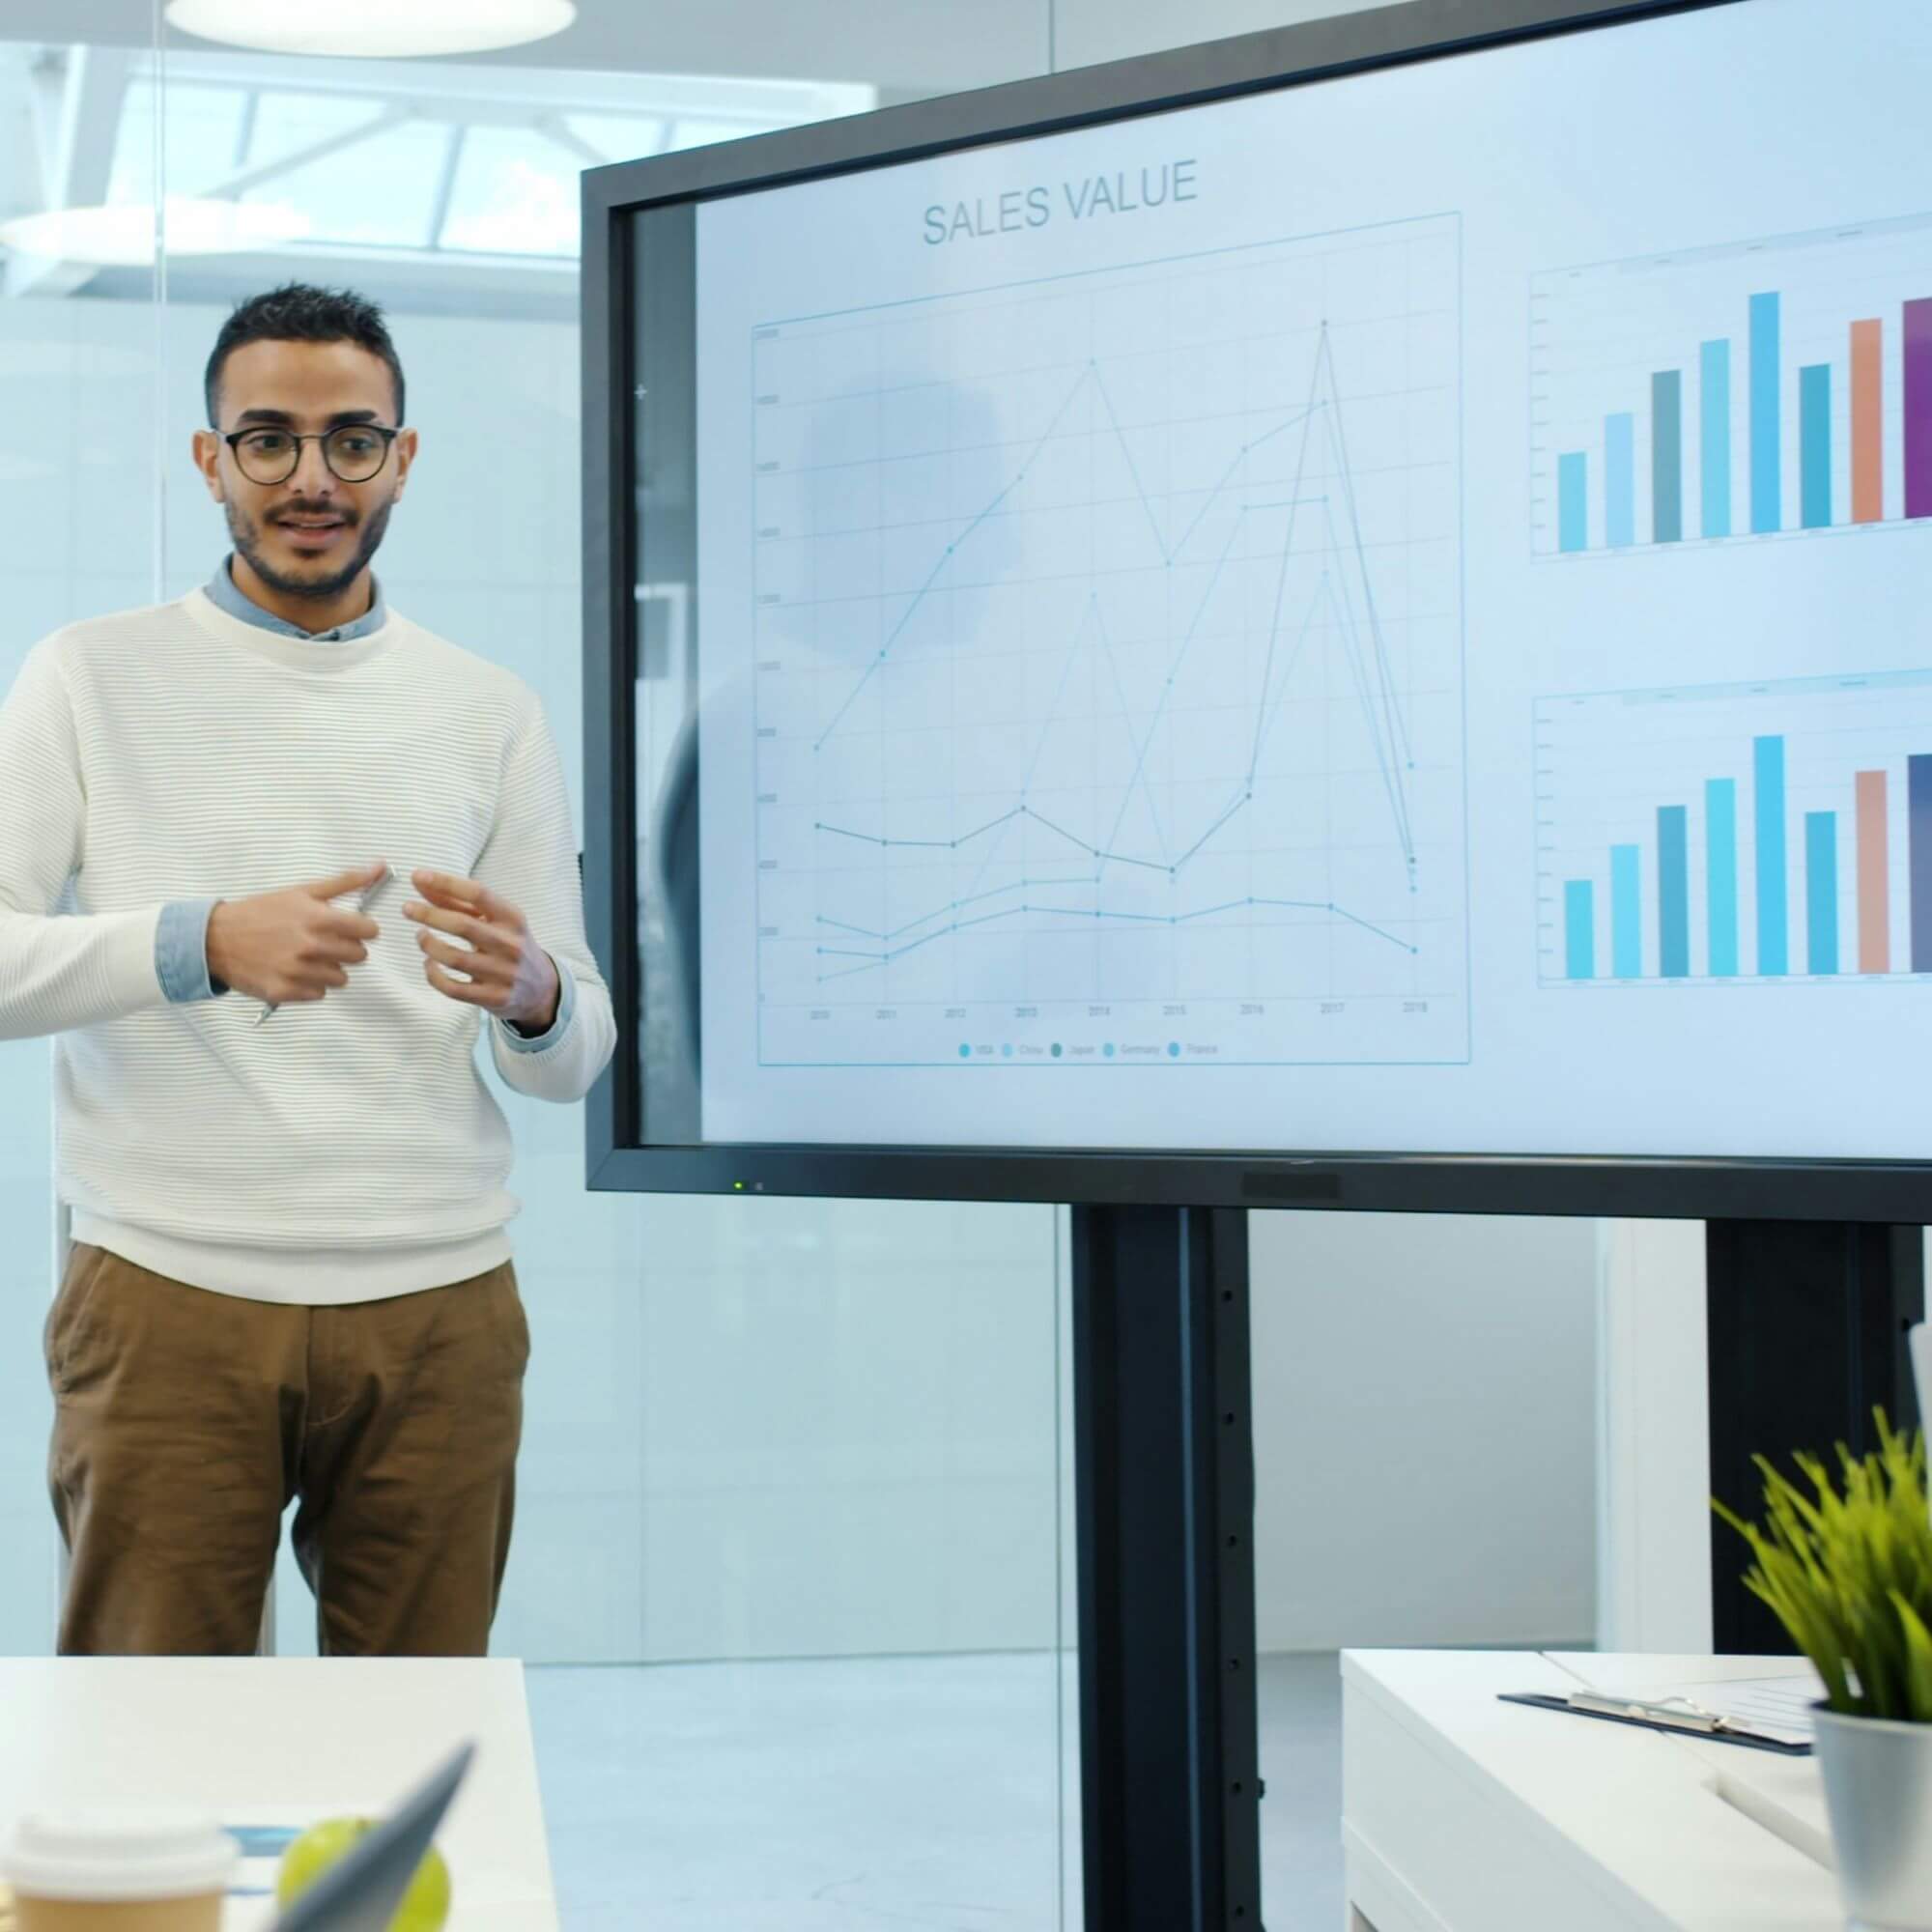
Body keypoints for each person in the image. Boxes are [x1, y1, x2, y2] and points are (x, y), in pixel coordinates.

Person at [0, 282, 616, 1658]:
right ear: (211, 460)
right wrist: (200, 943)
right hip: (168, 1296)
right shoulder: (88, 676)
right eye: (268, 439)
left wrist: (538, 997)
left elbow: (579, 1058)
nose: (311, 477)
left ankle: (376, 1896)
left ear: (403, 458)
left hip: (442, 1306)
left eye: (351, 440)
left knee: (409, 1754)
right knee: (156, 1753)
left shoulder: (487, 708)